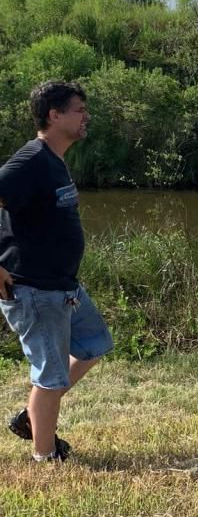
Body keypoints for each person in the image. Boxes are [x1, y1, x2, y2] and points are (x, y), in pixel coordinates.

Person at [0, 80, 112, 462]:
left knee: (95, 343)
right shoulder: (30, 160)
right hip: (34, 289)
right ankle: (45, 457)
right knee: (50, 375)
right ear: (54, 114)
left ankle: (35, 415)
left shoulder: (53, 160)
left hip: (63, 287)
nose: (86, 116)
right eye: (79, 109)